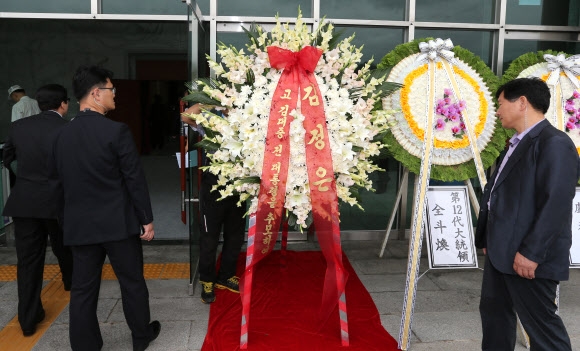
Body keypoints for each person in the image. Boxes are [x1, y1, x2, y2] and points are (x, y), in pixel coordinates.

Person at [52, 65, 160, 351]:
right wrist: (146, 219)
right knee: (132, 282)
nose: (115, 95)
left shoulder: (62, 134)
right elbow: (134, 179)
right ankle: (140, 337)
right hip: (117, 223)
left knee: (83, 290)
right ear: (96, 94)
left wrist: (66, 221)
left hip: (80, 226)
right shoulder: (116, 131)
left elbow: (58, 183)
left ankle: (85, 345)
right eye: (112, 90)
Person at [475, 77, 579, 351]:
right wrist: (488, 236)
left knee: (542, 330)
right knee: (496, 321)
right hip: (502, 253)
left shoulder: (554, 143)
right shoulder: (516, 143)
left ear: (522, 102)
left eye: (500, 104)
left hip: (529, 257)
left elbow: (555, 204)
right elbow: (500, 194)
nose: (497, 111)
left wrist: (531, 253)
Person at [2, 84, 73, 336]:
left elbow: (7, 157)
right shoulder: (68, 129)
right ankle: (71, 284)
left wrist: (27, 177)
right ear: (63, 104)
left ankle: (28, 319)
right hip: (58, 202)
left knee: (28, 262)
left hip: (25, 202)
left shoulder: (19, 126)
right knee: (65, 248)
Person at [181, 103, 246, 304]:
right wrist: (207, 103)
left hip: (239, 187)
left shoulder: (246, 121)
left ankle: (226, 276)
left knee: (235, 235)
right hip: (213, 187)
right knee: (209, 236)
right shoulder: (211, 120)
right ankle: (207, 281)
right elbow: (186, 116)